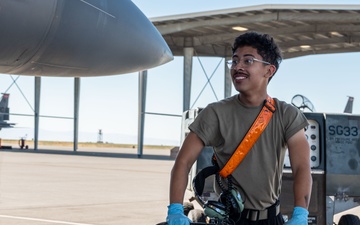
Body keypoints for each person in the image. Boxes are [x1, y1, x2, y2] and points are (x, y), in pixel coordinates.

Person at [166, 31, 312, 225]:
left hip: (270, 219)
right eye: (234, 61)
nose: (238, 67)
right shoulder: (215, 113)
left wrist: (301, 214)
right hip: (228, 219)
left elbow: (302, 168)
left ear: (269, 71)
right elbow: (183, 162)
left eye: (248, 61)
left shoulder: (287, 115)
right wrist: (175, 209)